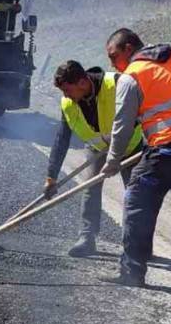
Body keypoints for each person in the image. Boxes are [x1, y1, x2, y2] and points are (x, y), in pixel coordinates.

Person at [99, 27, 171, 298]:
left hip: (168, 148)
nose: (112, 64)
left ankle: (132, 272)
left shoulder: (132, 76)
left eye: (113, 55)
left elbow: (123, 124)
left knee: (137, 201)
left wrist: (113, 160)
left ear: (128, 49)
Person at [46, 60, 143, 257]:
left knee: (135, 196)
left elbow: (143, 110)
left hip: (130, 147)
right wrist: (51, 177)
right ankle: (86, 238)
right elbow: (62, 139)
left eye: (67, 90)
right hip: (98, 148)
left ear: (82, 82)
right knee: (90, 187)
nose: (66, 96)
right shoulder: (69, 103)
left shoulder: (116, 84)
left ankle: (136, 246)